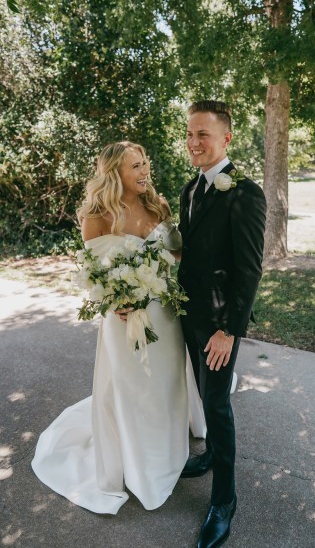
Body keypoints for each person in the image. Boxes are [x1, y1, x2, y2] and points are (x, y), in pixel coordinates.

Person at [32, 141, 205, 514]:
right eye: (135, 167)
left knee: (166, 380)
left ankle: (168, 443)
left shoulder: (156, 205)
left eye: (145, 163)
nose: (144, 172)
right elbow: (92, 273)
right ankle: (136, 458)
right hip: (125, 318)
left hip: (165, 312)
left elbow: (177, 254)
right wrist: (117, 301)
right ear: (115, 174)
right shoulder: (97, 216)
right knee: (131, 386)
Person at [178, 101, 266, 548]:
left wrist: (228, 330)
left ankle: (224, 501)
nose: (194, 142)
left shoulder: (245, 192)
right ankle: (210, 453)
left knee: (216, 406)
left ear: (226, 138)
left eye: (203, 135)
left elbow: (250, 270)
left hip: (217, 327)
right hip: (187, 319)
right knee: (202, 394)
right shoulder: (189, 190)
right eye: (190, 133)